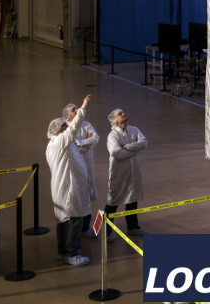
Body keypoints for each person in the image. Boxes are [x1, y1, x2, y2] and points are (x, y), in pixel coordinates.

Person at [45, 95, 92, 267]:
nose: (67, 127)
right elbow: (73, 128)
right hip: (69, 189)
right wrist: (83, 107)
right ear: (57, 130)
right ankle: (72, 254)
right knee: (73, 220)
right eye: (64, 125)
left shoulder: (61, 143)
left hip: (66, 187)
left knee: (64, 221)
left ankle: (62, 252)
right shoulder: (59, 142)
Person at [104, 109, 148, 241]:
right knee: (113, 200)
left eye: (122, 113)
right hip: (119, 173)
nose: (123, 114)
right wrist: (135, 150)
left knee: (132, 199)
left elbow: (144, 143)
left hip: (134, 171)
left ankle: (133, 227)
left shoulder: (134, 129)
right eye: (120, 114)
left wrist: (127, 147)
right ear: (115, 120)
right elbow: (116, 152)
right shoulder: (112, 136)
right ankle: (107, 231)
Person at [63, 102, 99, 238]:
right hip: (74, 167)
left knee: (87, 196)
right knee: (76, 197)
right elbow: (72, 146)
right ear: (68, 115)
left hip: (87, 164)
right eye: (74, 110)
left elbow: (95, 139)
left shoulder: (86, 124)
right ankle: (74, 228)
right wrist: (86, 144)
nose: (77, 110)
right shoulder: (66, 128)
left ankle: (85, 227)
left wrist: (81, 143)